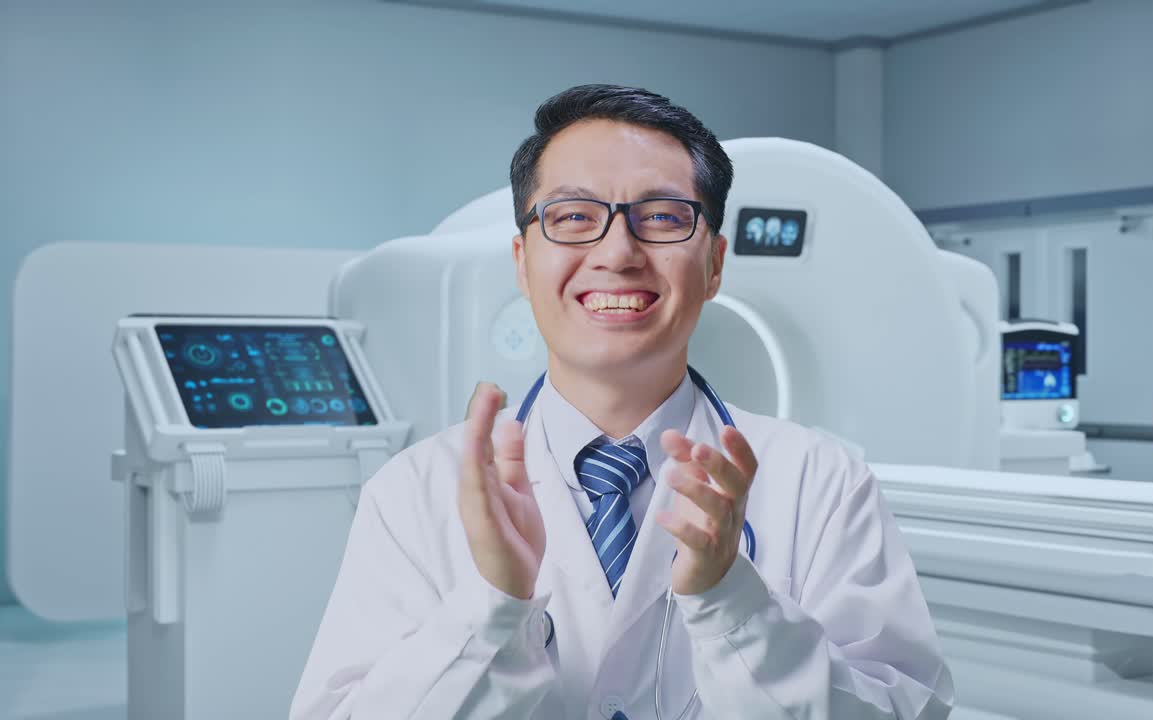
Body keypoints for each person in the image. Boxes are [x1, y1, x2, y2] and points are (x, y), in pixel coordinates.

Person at [291, 84, 953, 720]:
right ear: (522, 261)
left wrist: (731, 602)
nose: (617, 252)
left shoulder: (822, 482)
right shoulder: (413, 492)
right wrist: (493, 606)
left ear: (714, 264)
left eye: (662, 217)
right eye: (574, 218)